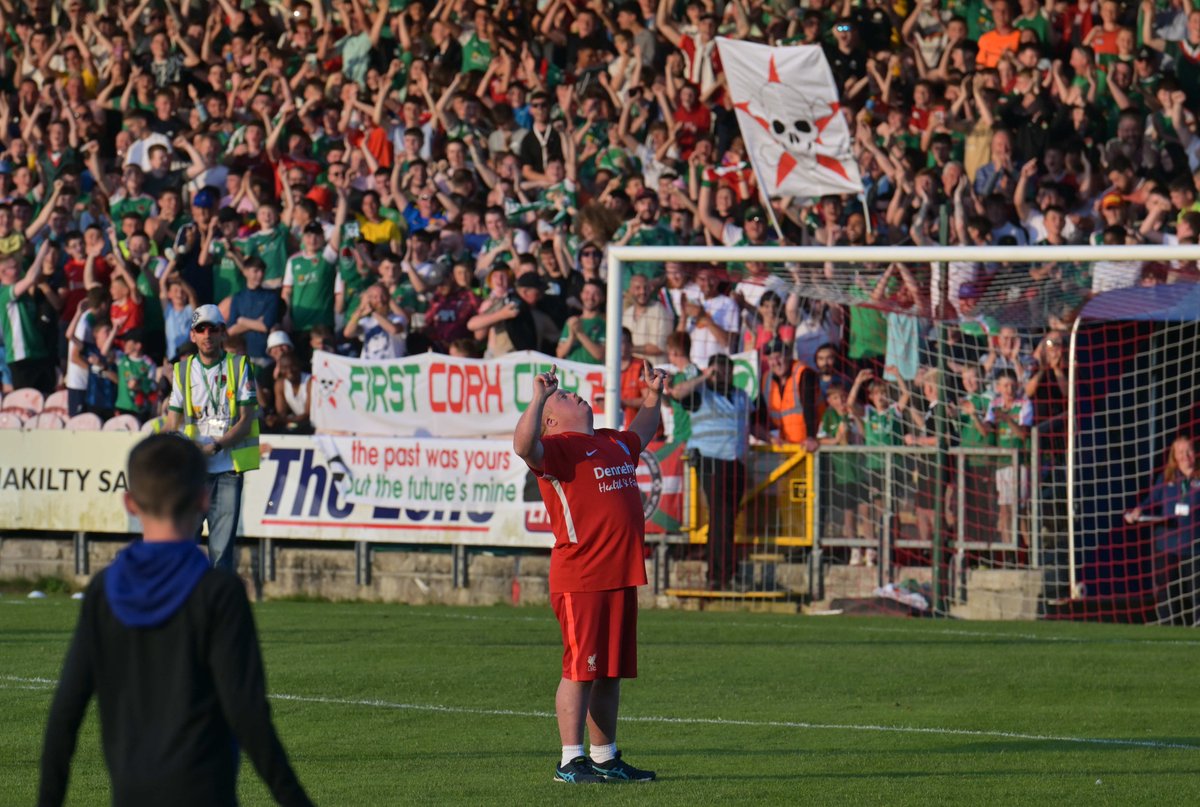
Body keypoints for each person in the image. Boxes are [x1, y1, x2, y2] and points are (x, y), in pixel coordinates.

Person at [37, 433, 314, 807]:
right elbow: (248, 714)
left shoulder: (104, 590)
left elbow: (65, 713)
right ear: (204, 499)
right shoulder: (218, 592)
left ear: (130, 503)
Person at [513, 361, 666, 785]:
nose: (575, 394)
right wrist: (540, 395)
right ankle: (570, 760)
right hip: (582, 578)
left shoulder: (611, 441)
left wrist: (653, 397)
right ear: (551, 420)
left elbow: (645, 430)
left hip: (619, 574)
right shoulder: (556, 448)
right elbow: (524, 445)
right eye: (564, 397)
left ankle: (605, 757)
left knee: (609, 671)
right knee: (580, 670)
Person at [165, 305, 259, 571]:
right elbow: (173, 423)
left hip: (228, 470)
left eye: (213, 329)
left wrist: (216, 446)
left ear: (223, 334)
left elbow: (246, 420)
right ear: (192, 335)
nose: (207, 334)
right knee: (187, 549)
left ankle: (216, 611)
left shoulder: (239, 366)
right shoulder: (181, 371)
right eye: (200, 329)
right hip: (193, 472)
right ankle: (187, 607)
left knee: (221, 554)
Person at [670, 353, 753, 589]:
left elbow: (755, 422)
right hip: (709, 459)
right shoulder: (701, 393)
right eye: (717, 370)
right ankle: (721, 574)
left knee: (728, 517)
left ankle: (721, 573)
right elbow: (677, 393)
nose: (721, 375)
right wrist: (703, 377)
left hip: (735, 461)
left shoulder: (741, 395)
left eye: (725, 370)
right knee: (721, 516)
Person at [1125, 436, 1200, 626]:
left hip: (1193, 547)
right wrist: (1137, 511)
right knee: (1166, 593)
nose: (1185, 456)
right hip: (1166, 546)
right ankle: (1167, 629)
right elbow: (1150, 501)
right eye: (1180, 452)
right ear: (1174, 456)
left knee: (1195, 592)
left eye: (1188, 450)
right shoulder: (1166, 479)